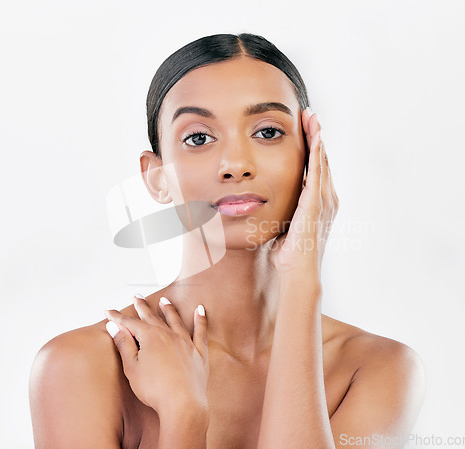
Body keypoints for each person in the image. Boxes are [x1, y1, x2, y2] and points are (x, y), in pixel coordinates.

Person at [29, 33, 425, 449]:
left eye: (268, 132)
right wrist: (185, 414)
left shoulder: (379, 369)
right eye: (198, 138)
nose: (236, 164)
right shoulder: (79, 366)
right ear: (156, 177)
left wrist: (302, 278)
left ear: (312, 156)